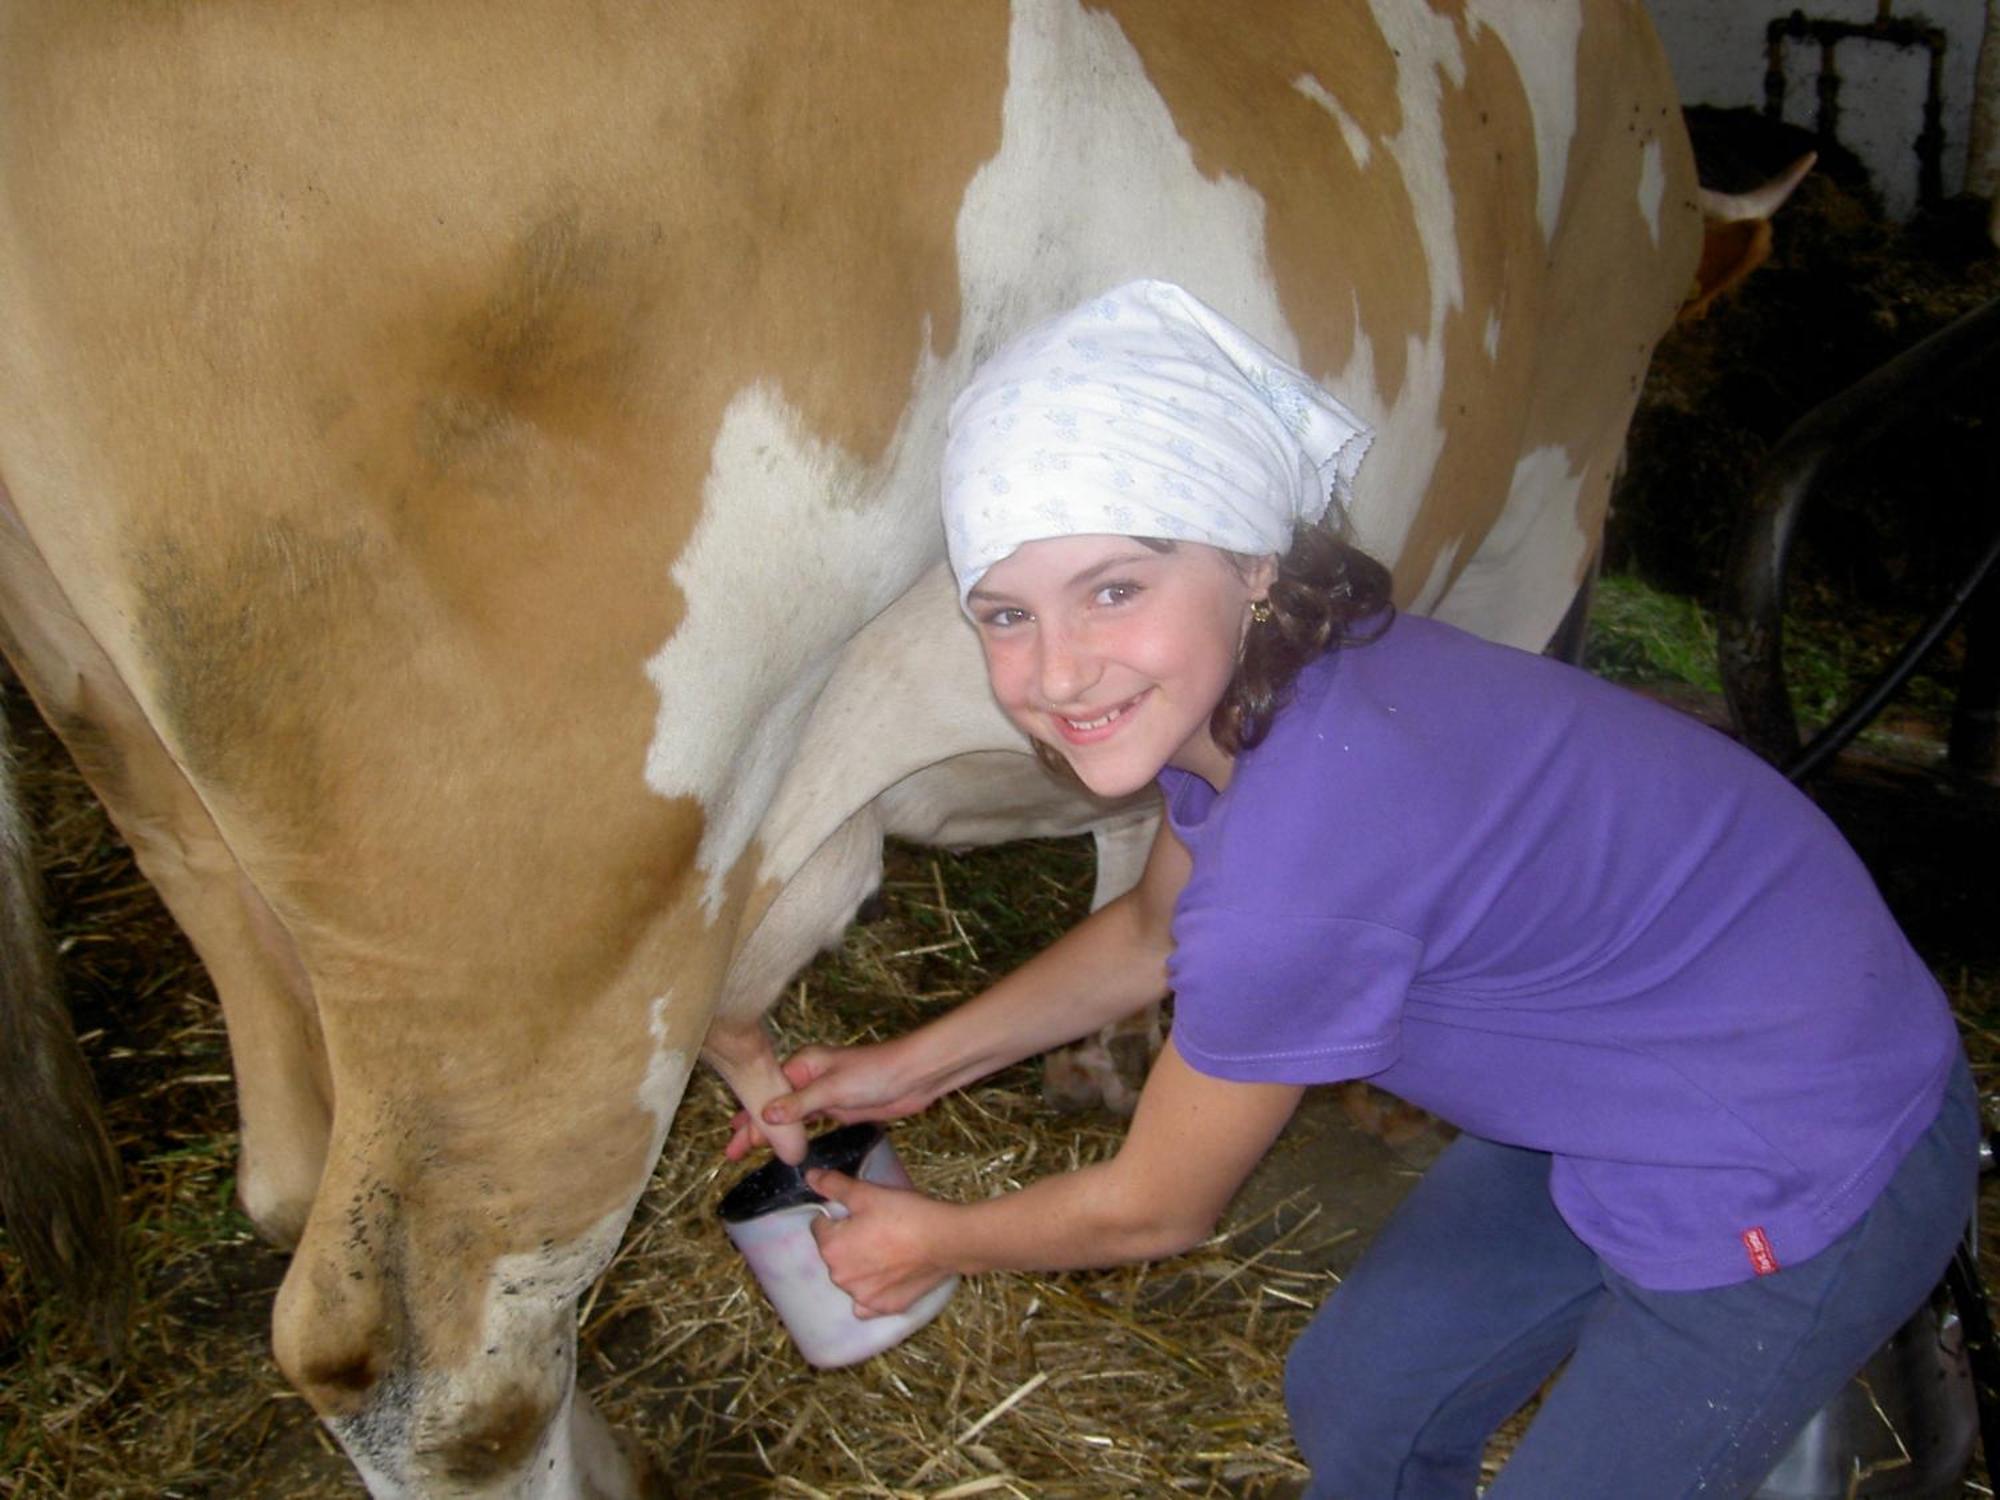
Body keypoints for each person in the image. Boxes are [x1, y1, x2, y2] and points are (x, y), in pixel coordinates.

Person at [722, 279, 1976, 1498]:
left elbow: (1149, 1209)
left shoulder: (1304, 856)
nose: (1054, 671)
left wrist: (929, 1236)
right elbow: (1154, 929)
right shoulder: (1278, 687)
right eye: (1003, 614)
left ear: (1253, 561)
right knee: (1360, 1399)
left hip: (1796, 1145)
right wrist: (911, 1067)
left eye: (1113, 588)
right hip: (1618, 1071)